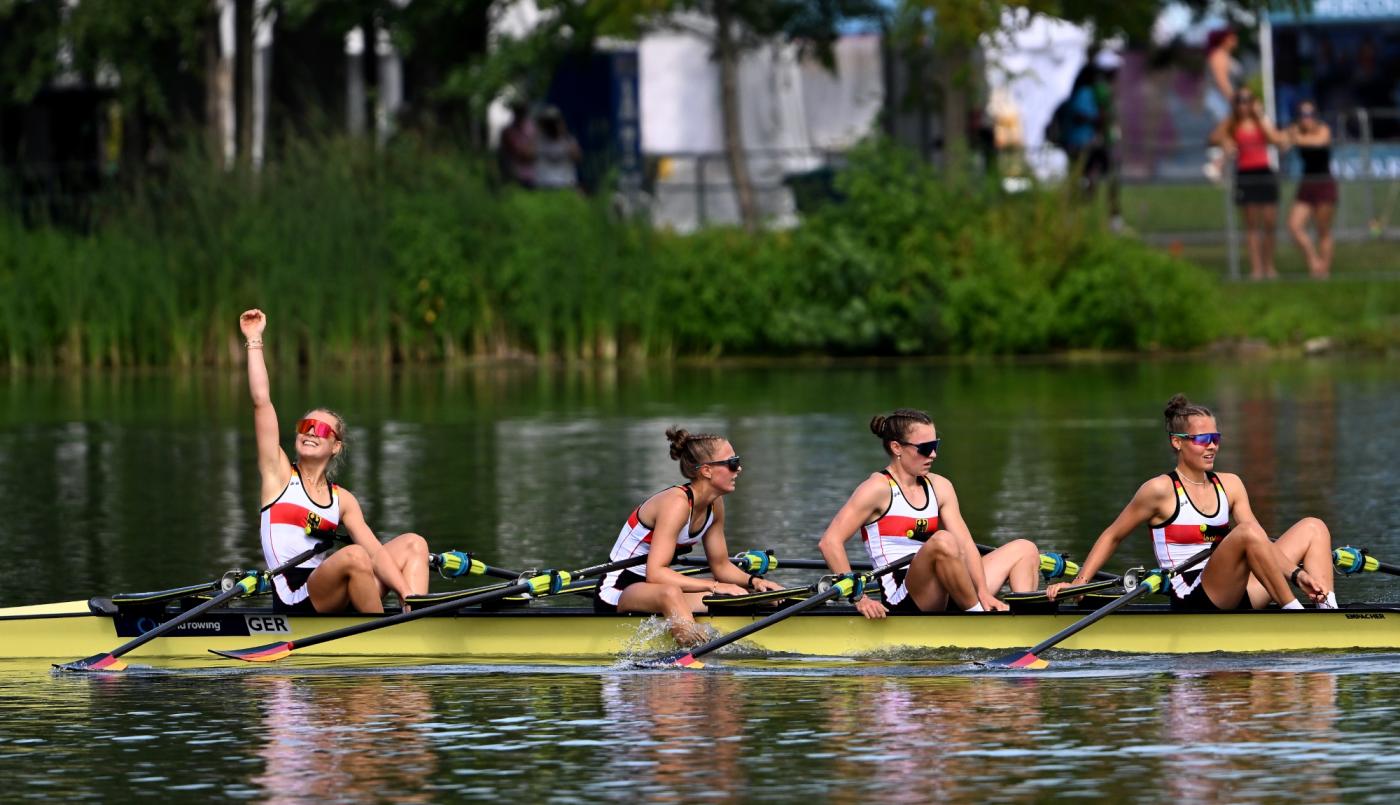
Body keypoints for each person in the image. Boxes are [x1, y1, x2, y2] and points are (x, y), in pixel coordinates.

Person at [1047, 394, 1335, 611]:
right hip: (1193, 595)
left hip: (1237, 588)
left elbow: (1262, 543)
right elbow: (1113, 535)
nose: (1212, 446)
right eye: (1202, 439)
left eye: (1215, 438)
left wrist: (1298, 575)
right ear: (1177, 442)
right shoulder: (1159, 490)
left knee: (1314, 527)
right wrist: (1079, 584)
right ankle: (1294, 614)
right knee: (1246, 532)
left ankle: (1328, 609)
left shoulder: (1231, 484)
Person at [239, 309, 430, 613]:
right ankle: (383, 631)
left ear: (336, 446)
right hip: (294, 595)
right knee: (354, 555)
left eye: (321, 430)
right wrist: (254, 339)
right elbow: (261, 401)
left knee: (414, 544)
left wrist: (405, 592)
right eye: (305, 426)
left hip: (333, 587)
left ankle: (415, 616)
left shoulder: (343, 501)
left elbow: (376, 553)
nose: (310, 432)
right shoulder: (278, 474)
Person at [817, 409, 1040, 619]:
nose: (933, 454)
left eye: (935, 445)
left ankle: (1023, 620)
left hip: (950, 584)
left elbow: (965, 543)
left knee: (1025, 549)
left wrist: (982, 591)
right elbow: (830, 542)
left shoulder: (940, 486)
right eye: (925, 448)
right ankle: (979, 618)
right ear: (897, 448)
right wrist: (859, 597)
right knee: (943, 540)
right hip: (903, 595)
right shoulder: (876, 489)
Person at [594, 427, 783, 644]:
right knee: (672, 593)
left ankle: (741, 641)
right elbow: (656, 574)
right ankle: (691, 656)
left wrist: (755, 582)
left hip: (653, 586)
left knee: (741, 595)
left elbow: (721, 566)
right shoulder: (676, 504)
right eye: (732, 463)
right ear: (707, 471)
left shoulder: (715, 505)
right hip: (619, 590)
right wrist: (713, 586)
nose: (739, 468)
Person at [1210, 87, 1288, 280]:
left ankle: (1269, 266)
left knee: (1269, 223)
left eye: (1247, 100)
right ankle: (1257, 269)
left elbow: (1275, 139)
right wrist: (1227, 140)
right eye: (1240, 100)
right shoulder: (1232, 123)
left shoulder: (1261, 121)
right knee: (1252, 225)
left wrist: (1260, 115)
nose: (1243, 105)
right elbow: (1214, 137)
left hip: (1264, 172)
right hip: (1245, 173)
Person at [1286, 100, 1338, 279]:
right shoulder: (1296, 131)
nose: (1306, 118)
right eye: (1302, 115)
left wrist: (1295, 139)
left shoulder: (1324, 129)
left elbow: (1319, 142)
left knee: (1323, 229)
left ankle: (1324, 271)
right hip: (1306, 183)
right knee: (1294, 225)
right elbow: (1280, 141)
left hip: (1324, 182)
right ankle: (1313, 261)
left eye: (1309, 114)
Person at [533, 106, 581, 191]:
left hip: (565, 185)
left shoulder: (568, 140)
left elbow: (577, 158)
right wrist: (538, 130)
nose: (552, 126)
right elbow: (527, 156)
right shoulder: (539, 140)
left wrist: (564, 133)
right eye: (549, 123)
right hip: (545, 185)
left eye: (554, 122)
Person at [498, 100, 537, 189]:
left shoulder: (531, 127)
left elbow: (533, 152)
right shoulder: (508, 131)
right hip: (514, 174)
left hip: (532, 175)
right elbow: (520, 153)